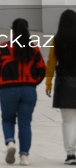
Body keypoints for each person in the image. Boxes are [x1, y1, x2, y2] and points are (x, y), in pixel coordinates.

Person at [0, 18, 46, 166]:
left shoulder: (4, 47)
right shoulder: (33, 48)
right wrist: (34, 83)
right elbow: (42, 69)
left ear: (12, 30)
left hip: (8, 89)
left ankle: (10, 143)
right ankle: (24, 156)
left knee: (8, 119)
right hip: (28, 89)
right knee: (25, 124)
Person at [46, 9, 76, 165]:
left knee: (67, 121)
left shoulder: (56, 40)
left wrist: (48, 83)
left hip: (64, 84)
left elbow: (51, 64)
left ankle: (70, 154)